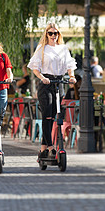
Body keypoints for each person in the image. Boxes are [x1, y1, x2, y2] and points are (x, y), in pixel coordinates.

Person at [27, 22, 76, 159]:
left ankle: (43, 149)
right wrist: (42, 77)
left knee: (54, 116)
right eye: (50, 33)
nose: (53, 36)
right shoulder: (42, 48)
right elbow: (35, 67)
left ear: (58, 34)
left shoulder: (63, 49)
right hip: (46, 83)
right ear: (46, 35)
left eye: (56, 33)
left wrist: (71, 76)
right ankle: (51, 146)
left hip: (58, 82)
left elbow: (70, 64)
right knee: (47, 115)